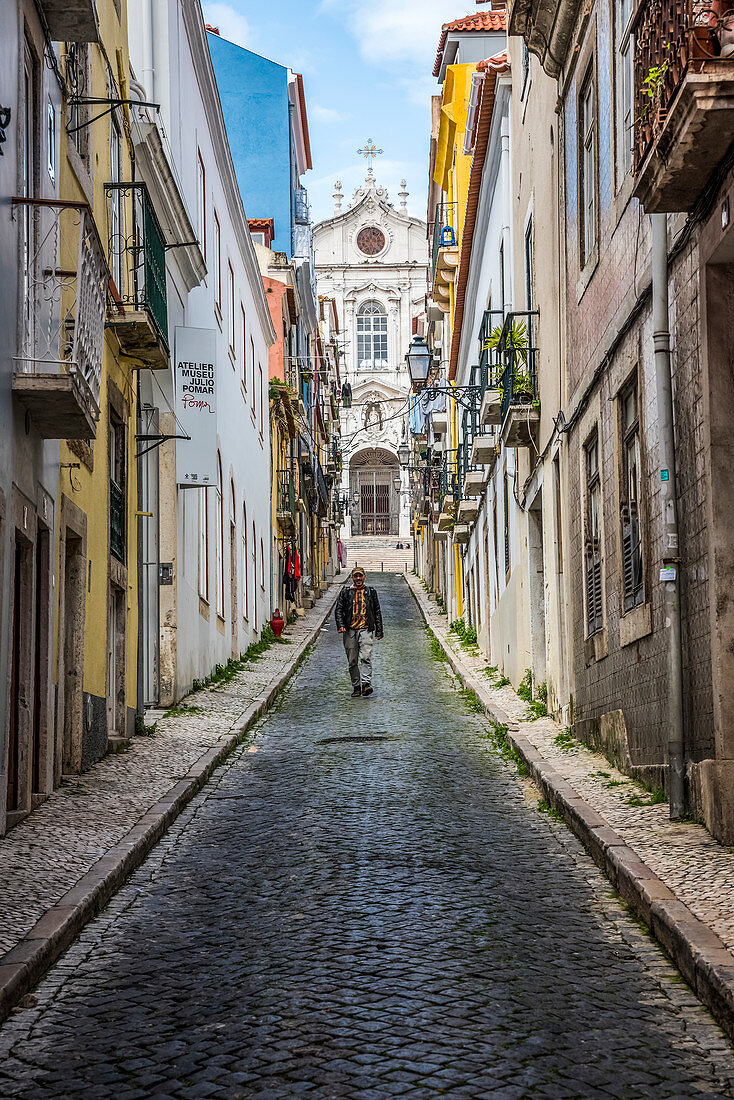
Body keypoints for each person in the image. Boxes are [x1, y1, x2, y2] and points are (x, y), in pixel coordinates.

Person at [335, 567, 383, 697]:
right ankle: (356, 686)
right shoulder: (345, 592)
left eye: (360, 576)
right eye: (355, 576)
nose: (358, 579)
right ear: (352, 578)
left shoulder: (370, 592)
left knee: (366, 656)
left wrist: (379, 630)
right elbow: (338, 610)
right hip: (350, 630)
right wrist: (341, 625)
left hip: (365, 629)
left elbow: (377, 611)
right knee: (352, 660)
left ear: (364, 577)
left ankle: (366, 684)